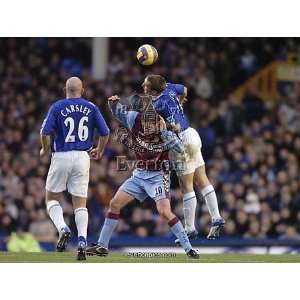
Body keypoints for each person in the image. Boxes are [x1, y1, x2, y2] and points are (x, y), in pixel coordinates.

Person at [86, 94, 199, 259]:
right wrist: (113, 103)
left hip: (159, 175)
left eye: (150, 125)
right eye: (144, 123)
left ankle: (189, 249)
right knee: (114, 204)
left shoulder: (166, 130)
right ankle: (102, 246)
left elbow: (180, 150)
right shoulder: (135, 119)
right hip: (139, 174)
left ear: (157, 123)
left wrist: (165, 133)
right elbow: (119, 113)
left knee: (164, 211)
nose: (146, 128)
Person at [142, 75, 225, 241]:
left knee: (186, 186)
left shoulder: (156, 105)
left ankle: (189, 229)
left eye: (146, 85)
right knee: (202, 179)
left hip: (182, 141)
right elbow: (185, 90)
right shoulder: (169, 87)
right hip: (192, 134)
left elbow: (164, 127)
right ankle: (216, 218)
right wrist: (179, 102)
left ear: (152, 90)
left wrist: (168, 127)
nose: (143, 86)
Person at [40, 77, 110, 260]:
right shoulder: (91, 107)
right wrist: (100, 150)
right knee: (80, 203)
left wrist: (44, 148)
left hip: (61, 155)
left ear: (65, 89)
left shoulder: (57, 107)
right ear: (83, 90)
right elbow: (105, 132)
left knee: (51, 199)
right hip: (82, 157)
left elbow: (45, 132)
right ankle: (82, 241)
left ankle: (62, 228)